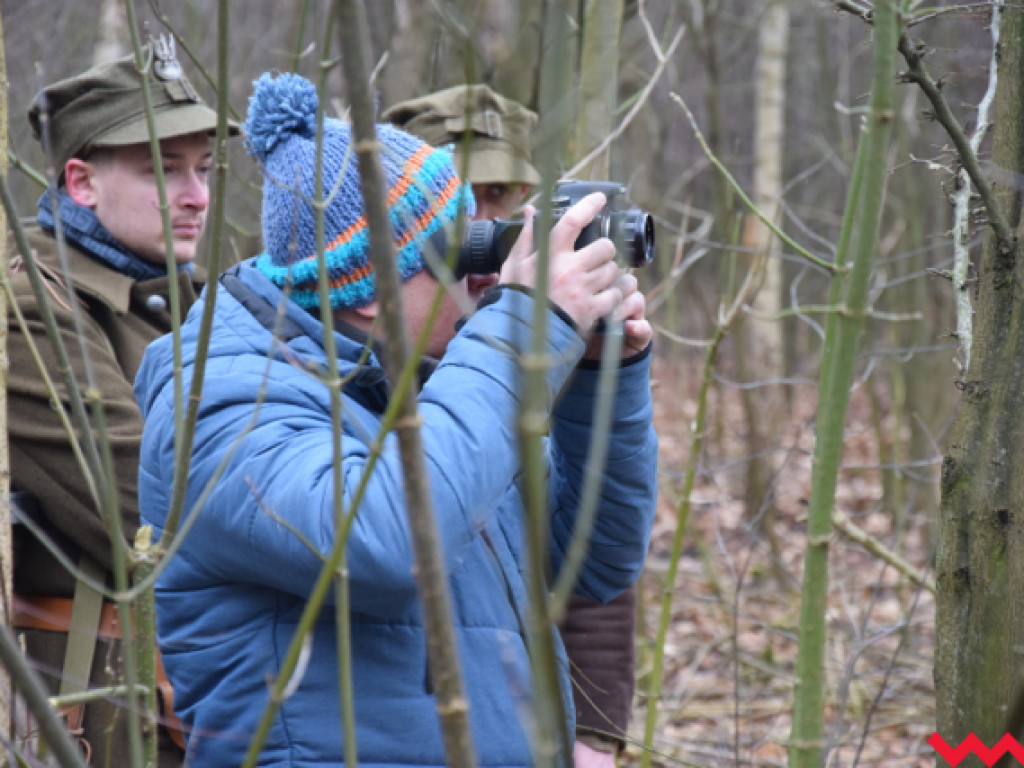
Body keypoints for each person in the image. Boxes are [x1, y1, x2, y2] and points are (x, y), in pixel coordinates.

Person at [134, 72, 657, 766]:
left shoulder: (422, 382)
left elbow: (590, 563)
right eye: (457, 254)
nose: (486, 278)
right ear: (376, 286)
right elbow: (383, 545)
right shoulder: (216, 406)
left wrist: (598, 372)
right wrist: (527, 325)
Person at [383, 83, 641, 765]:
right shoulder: (375, 349)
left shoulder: (546, 336)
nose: (490, 226)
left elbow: (591, 556)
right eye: (465, 204)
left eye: (505, 199)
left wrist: (596, 729)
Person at [8, 39, 234, 766]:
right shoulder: (30, 311)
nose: (197, 196)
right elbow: (149, 516)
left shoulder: (197, 301)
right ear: (80, 183)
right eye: (162, 172)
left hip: (198, 692)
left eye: (203, 169)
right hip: (101, 711)